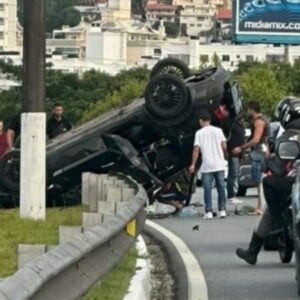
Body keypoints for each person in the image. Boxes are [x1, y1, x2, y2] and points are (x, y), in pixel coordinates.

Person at [235, 97, 300, 265]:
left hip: (293, 184)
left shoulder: (290, 135)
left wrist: (267, 161)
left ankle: (256, 248)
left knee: (269, 187)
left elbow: (278, 165)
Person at [233, 101, 270, 215]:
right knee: (258, 180)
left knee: (259, 181)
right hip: (262, 151)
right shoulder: (264, 119)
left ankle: (260, 207)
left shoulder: (259, 121)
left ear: (252, 109)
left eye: (248, 109)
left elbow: (256, 139)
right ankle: (260, 206)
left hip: (259, 153)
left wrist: (242, 147)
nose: (247, 112)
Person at [189, 111, 228, 219]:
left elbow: (196, 149)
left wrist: (193, 164)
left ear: (200, 121)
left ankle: (209, 211)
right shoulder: (218, 131)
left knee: (207, 188)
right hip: (219, 163)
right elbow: (224, 146)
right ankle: (222, 210)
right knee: (221, 187)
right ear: (210, 121)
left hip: (207, 165)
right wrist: (223, 154)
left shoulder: (199, 133)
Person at [227, 117, 245, 204]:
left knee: (235, 174)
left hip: (238, 154)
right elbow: (228, 138)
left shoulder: (240, 126)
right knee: (233, 175)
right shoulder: (233, 126)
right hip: (233, 152)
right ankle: (231, 195)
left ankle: (233, 194)